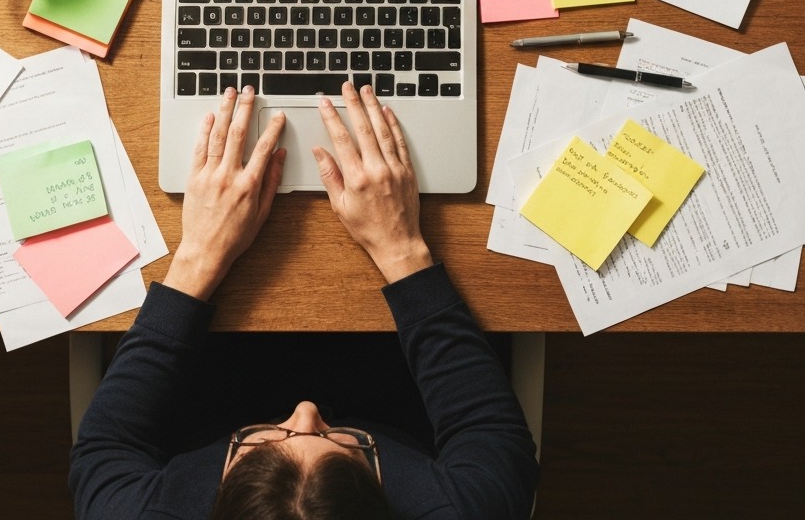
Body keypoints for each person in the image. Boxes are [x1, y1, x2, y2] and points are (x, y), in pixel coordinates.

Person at [70, 83, 539, 519]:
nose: (306, 408)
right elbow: (487, 430)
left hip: (214, 392)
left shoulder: (138, 510)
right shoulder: (461, 508)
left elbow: (106, 445)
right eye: (345, 445)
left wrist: (199, 253)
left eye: (262, 443)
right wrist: (402, 248)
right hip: (396, 397)